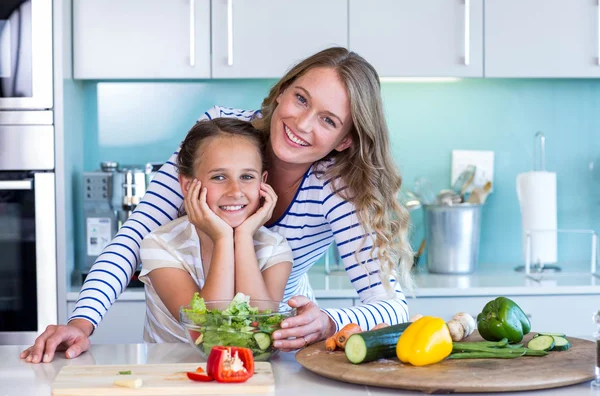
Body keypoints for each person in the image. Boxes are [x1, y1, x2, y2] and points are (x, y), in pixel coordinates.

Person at [21, 46, 413, 363]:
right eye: (300, 99)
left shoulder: (338, 186)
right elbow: (134, 237)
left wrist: (329, 321)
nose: (302, 123)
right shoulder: (221, 132)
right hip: (183, 344)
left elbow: (391, 306)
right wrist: (83, 320)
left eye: (328, 120)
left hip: (269, 343)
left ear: (345, 140)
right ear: (282, 91)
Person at [139, 117, 293, 342]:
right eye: (219, 177)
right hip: (170, 371)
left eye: (247, 177)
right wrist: (222, 239)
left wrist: (242, 237)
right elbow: (207, 333)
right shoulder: (161, 245)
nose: (235, 190)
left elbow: (261, 331)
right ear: (187, 185)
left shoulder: (274, 248)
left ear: (263, 182)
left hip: (250, 372)